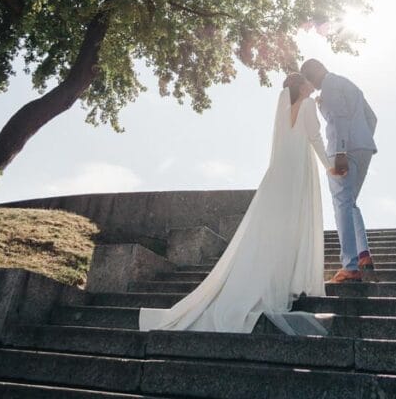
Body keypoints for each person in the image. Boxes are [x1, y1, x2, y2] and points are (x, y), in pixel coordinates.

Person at [138, 72, 333, 334]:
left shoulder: (284, 110)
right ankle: (287, 281)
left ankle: (277, 280)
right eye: (308, 82)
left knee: (275, 228)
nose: (311, 85)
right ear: (302, 86)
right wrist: (330, 166)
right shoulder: (307, 104)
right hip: (297, 170)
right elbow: (315, 137)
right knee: (293, 223)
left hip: (279, 174)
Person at [300, 59, 378, 284]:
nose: (312, 84)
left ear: (316, 71)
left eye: (310, 78)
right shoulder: (348, 83)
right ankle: (363, 256)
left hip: (342, 150)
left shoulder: (330, 85)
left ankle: (350, 266)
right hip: (364, 148)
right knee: (350, 202)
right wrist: (361, 139)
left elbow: (339, 118)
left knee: (342, 203)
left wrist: (342, 149)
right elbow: (372, 118)